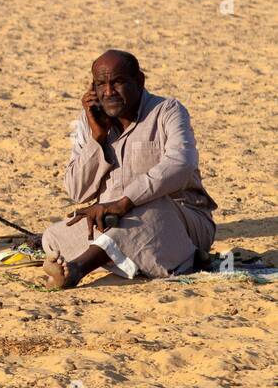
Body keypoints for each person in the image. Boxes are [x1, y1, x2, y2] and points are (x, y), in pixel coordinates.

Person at [40, 50, 216, 288]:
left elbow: (182, 163)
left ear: (139, 81)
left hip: (178, 219)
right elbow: (76, 191)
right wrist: (98, 139)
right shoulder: (90, 121)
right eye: (101, 84)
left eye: (118, 82)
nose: (109, 92)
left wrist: (125, 202)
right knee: (54, 236)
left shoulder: (168, 111)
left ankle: (77, 269)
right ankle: (143, 256)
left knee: (152, 206)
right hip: (114, 221)